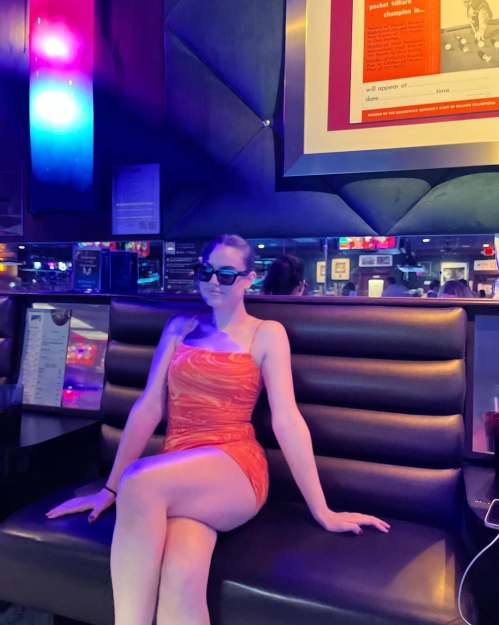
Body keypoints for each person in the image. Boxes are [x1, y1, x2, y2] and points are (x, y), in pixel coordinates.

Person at [45, 234, 390, 625]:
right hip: (178, 468)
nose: (213, 282)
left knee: (138, 482)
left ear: (248, 279)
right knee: (180, 577)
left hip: (235, 465)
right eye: (205, 272)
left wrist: (322, 509)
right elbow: (149, 407)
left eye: (226, 275)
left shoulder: (267, 333)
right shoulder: (180, 328)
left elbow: (287, 420)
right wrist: (108, 490)